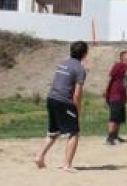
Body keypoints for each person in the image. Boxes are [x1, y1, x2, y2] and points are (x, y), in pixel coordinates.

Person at [34, 41, 89, 172]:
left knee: (53, 131)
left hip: (51, 98)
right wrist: (78, 108)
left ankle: (39, 156)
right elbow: (77, 93)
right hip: (64, 101)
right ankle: (67, 165)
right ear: (85, 54)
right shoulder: (80, 69)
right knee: (74, 132)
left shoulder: (62, 63)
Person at [104, 50, 127, 146]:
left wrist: (126, 96)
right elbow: (110, 78)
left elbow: (124, 84)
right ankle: (110, 138)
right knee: (114, 117)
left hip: (121, 96)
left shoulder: (126, 68)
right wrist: (106, 90)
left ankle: (115, 136)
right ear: (123, 58)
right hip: (115, 95)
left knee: (119, 118)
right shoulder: (119, 65)